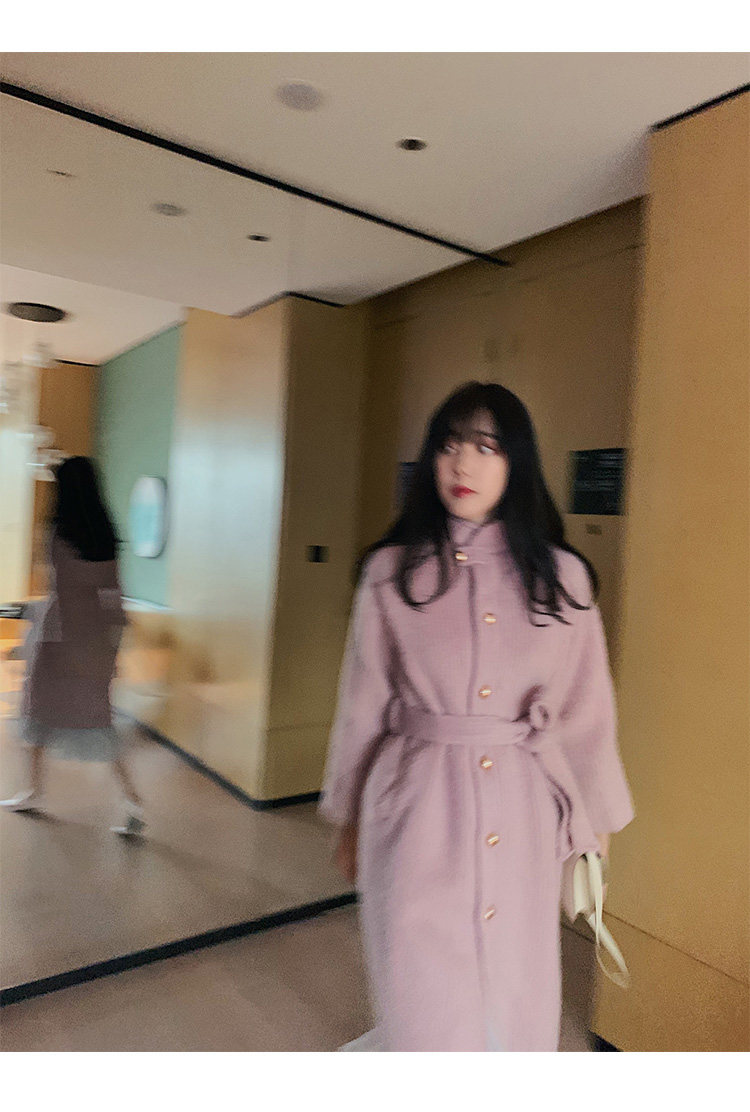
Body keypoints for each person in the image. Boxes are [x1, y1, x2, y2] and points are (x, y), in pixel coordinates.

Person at [320, 381, 635, 1052]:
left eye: (487, 447)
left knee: (516, 987)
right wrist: (348, 817)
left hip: (524, 811)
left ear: (517, 461)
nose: (463, 463)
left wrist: (597, 829)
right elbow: (362, 706)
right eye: (449, 444)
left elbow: (586, 714)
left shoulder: (564, 580)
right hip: (415, 808)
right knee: (421, 996)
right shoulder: (390, 573)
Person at [0, 456, 145, 836]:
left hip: (57, 638)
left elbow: (56, 591)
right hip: (95, 641)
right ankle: (132, 801)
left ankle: (32, 792)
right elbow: (114, 598)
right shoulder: (106, 538)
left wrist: (28, 638)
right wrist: (114, 647)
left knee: (36, 712)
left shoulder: (57, 533)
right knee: (98, 719)